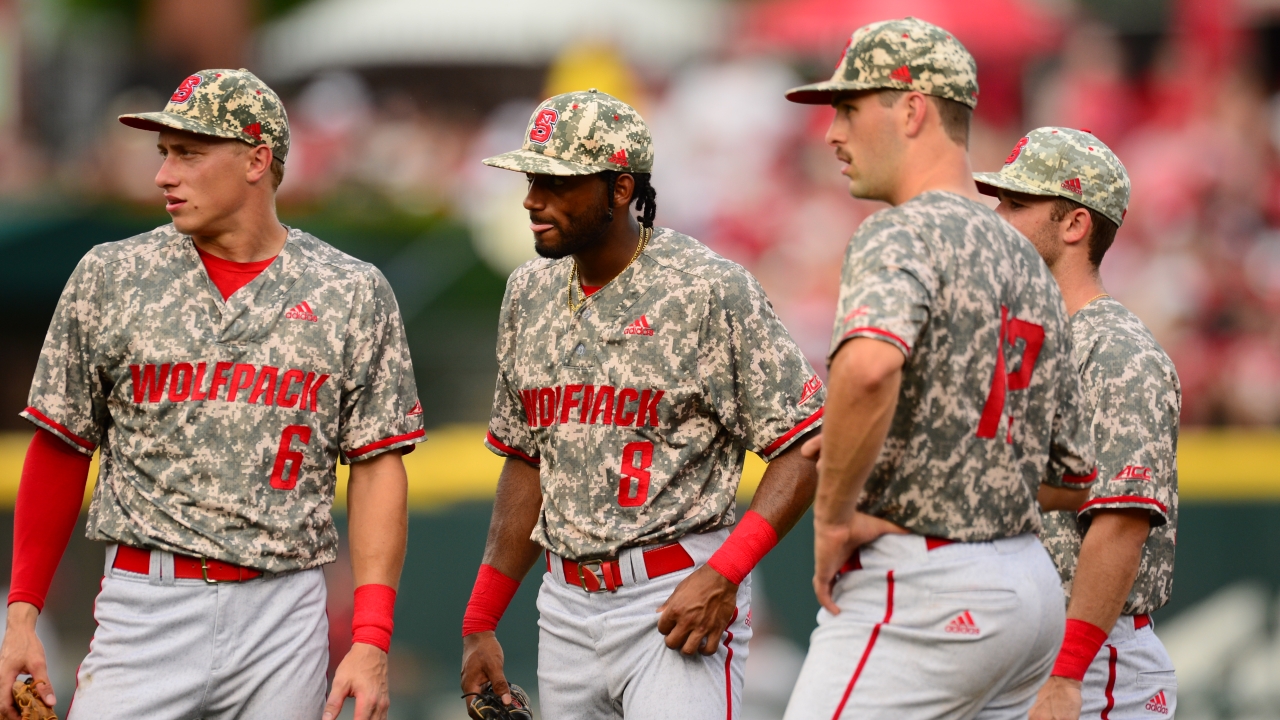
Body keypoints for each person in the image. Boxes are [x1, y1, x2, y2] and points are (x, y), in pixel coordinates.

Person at [0, 69, 422, 720]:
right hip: (146, 604)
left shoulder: (351, 290)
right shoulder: (112, 275)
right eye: (164, 153)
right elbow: (60, 445)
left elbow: (377, 467)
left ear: (257, 160)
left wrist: (370, 640)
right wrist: (22, 614)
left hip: (283, 610)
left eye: (189, 154)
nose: (165, 175)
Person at [458, 89, 826, 719]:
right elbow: (526, 459)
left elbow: (805, 445)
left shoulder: (708, 288)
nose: (531, 198)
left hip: (673, 596)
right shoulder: (527, 291)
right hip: (565, 608)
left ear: (621, 189)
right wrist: (480, 619)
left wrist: (726, 574)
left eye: (557, 180)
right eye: (530, 177)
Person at [780, 19, 1098, 719]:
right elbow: (1073, 476)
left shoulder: (902, 230)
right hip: (1028, 594)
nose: (832, 132)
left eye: (849, 108)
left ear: (913, 108)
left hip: (927, 587)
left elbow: (867, 371)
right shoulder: (1028, 261)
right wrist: (950, 469)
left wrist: (834, 516)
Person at [976, 127, 1180, 720]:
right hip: (1014, 648)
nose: (997, 218)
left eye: (1016, 204)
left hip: (1090, 661)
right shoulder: (1020, 339)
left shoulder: (1116, 350)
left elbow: (1121, 521)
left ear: (1073, 225)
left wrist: (1067, 675)